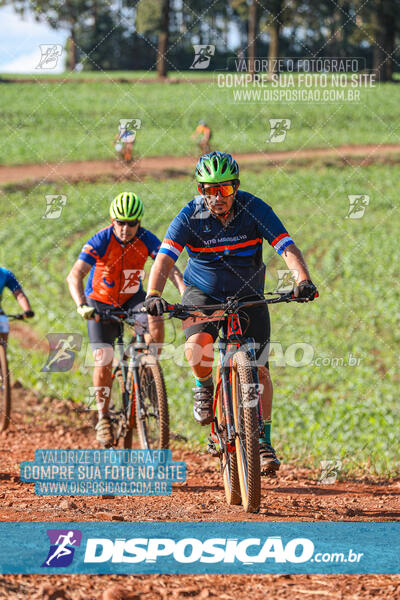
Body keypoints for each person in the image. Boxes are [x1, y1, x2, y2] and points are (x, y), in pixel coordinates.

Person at [144, 152, 318, 475]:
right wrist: (154, 294)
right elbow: (164, 260)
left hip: (248, 294)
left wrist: (303, 280)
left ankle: (262, 441)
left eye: (223, 190)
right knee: (197, 348)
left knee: (260, 370)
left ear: (235, 188)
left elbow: (286, 247)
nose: (216, 198)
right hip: (203, 294)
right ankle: (204, 384)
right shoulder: (188, 217)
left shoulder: (254, 209)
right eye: (207, 190)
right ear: (200, 190)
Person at [67, 192, 185, 447]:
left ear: (139, 222)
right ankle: (104, 418)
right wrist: (81, 305)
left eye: (132, 223)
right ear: (112, 221)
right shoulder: (101, 240)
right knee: (104, 360)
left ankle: (146, 372)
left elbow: (168, 265)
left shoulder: (145, 239)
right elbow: (75, 275)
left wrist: (185, 293)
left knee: (156, 324)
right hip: (100, 303)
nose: (126, 228)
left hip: (133, 300)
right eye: (120, 222)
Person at [0, 267, 34, 348]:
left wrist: (27, 310)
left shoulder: (5, 274)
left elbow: (19, 295)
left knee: (3, 328)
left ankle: (3, 356)